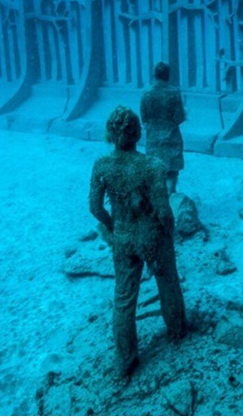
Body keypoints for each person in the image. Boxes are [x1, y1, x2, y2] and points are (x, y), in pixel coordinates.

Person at [88, 106, 187, 378]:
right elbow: (164, 211)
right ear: (138, 133)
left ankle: (125, 358)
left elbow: (95, 208)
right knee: (167, 281)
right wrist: (170, 232)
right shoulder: (152, 166)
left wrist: (114, 226)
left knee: (123, 298)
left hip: (122, 237)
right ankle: (177, 330)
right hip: (151, 236)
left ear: (110, 134)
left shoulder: (102, 166)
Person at [140, 62, 186, 195]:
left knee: (156, 171)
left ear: (154, 75)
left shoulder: (146, 93)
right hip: (171, 137)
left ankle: (157, 199)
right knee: (172, 170)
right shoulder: (174, 93)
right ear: (168, 75)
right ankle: (171, 195)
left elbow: (144, 118)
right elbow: (179, 118)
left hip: (153, 138)